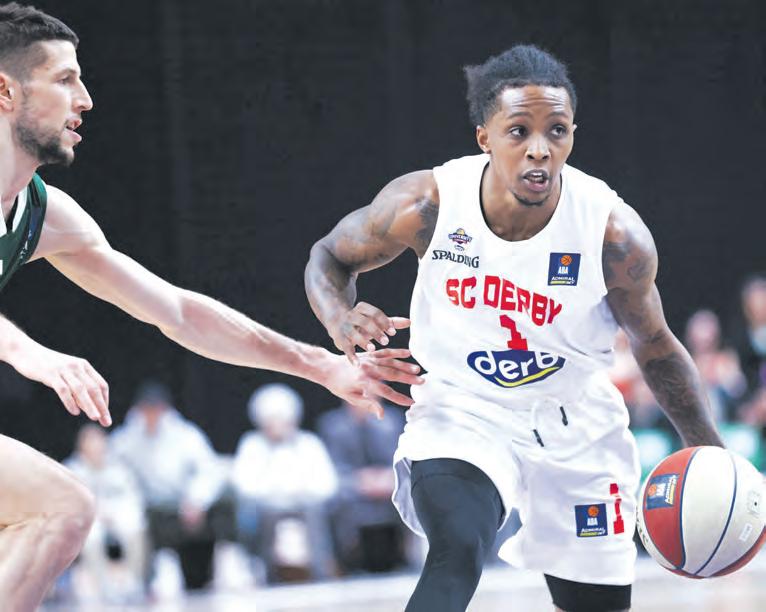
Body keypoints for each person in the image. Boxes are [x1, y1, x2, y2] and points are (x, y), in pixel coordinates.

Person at [0, 4, 422, 609]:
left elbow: (178, 312)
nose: (86, 99)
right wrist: (30, 353)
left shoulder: (44, 215)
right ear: (6, 91)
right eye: (65, 79)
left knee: (59, 510)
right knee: (59, 507)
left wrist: (320, 365)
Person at [305, 44, 723, 612]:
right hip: (465, 411)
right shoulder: (427, 204)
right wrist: (338, 316)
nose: (539, 149)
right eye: (519, 131)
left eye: (557, 131)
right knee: (457, 546)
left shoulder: (612, 234)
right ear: (485, 137)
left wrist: (710, 452)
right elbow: (329, 257)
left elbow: (655, 346)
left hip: (577, 424)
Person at [110, 381, 232, 592]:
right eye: (146, 409)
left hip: (187, 503)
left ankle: (219, 571)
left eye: (155, 409)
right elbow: (113, 469)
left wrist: (196, 499)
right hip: (152, 508)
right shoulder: (127, 438)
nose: (151, 415)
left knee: (224, 506)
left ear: (165, 409)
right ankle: (146, 581)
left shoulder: (186, 434)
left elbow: (209, 469)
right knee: (136, 522)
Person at [232, 383, 338, 583]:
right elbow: (244, 484)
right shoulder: (251, 445)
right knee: (255, 515)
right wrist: (274, 493)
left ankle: (321, 569)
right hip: (268, 506)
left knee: (317, 513)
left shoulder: (309, 443)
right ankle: (266, 572)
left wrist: (301, 492)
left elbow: (327, 483)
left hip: (305, 504)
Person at [317, 400, 407, 573]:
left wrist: (388, 477)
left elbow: (400, 459)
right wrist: (360, 481)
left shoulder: (391, 422)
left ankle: (406, 557)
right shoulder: (332, 425)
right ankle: (347, 562)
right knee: (336, 497)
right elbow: (332, 467)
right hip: (350, 484)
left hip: (387, 482)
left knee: (410, 491)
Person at [64, 424, 147, 603]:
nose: (95, 447)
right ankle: (104, 589)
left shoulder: (119, 467)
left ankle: (134, 584)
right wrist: (96, 512)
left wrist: (115, 513)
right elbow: (71, 503)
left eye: (98, 442)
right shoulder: (72, 470)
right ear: (82, 446)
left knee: (134, 526)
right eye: (90, 442)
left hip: (117, 513)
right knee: (91, 537)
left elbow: (132, 497)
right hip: (90, 517)